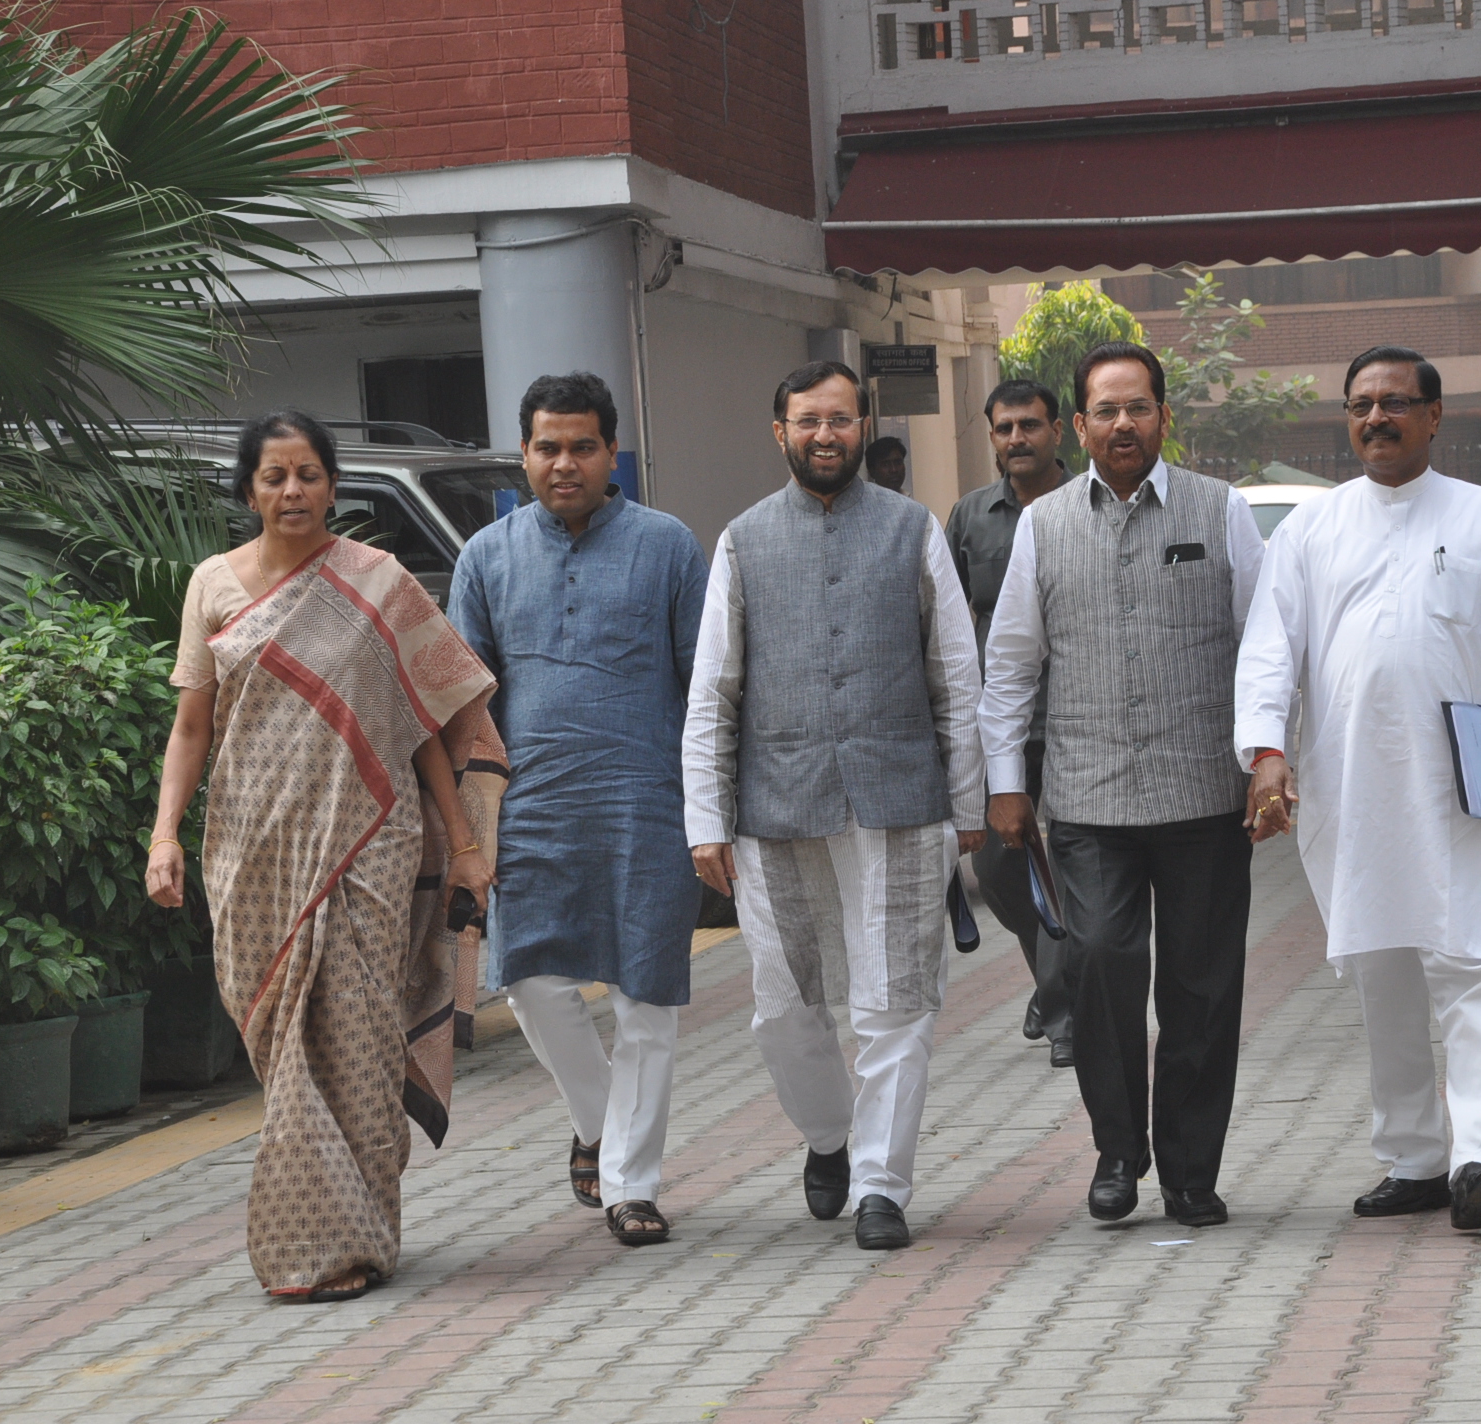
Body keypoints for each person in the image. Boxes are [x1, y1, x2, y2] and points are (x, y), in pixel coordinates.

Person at [146, 411, 498, 1300]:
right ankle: (337, 1232)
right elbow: (192, 726)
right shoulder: (212, 586)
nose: (292, 491)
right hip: (250, 848)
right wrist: (164, 834)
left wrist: (464, 844)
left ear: (334, 485)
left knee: (356, 1039)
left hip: (368, 843)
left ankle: (337, 1243)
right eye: (274, 477)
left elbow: (423, 725)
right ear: (249, 489)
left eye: (308, 475)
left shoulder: (377, 581)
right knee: (284, 1047)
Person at [1236, 345, 1481, 1232]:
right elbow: (1270, 648)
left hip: (1467, 785)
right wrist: (1267, 749)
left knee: (1468, 964)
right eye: (1360, 405)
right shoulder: (1312, 529)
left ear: (1434, 415)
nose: (1375, 418)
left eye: (1394, 402)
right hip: (1350, 784)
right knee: (1381, 967)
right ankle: (1415, 1159)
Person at [684, 360, 985, 1251]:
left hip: (900, 801)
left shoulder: (912, 529)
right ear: (779, 433)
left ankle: (882, 1187)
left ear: (863, 428)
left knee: (895, 1001)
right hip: (775, 806)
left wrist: (968, 801)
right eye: (809, 421)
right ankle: (828, 1137)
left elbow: (955, 673)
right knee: (786, 1007)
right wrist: (705, 816)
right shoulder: (741, 540)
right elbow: (713, 689)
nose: (826, 435)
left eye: (842, 420)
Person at [980, 341, 1264, 1229]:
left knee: (1201, 988)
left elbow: (1266, 648)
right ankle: (1118, 1149)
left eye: (1138, 408)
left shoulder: (1221, 513)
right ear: (1081, 426)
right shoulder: (1045, 524)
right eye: (1105, 411)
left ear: (1163, 416)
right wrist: (1003, 784)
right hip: (1088, 800)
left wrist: (1267, 761)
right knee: (1100, 963)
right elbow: (1013, 662)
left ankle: (1188, 1171)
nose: (1122, 424)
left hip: (1204, 801)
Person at [447, 372, 708, 1248]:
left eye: (583, 446)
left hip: (645, 802)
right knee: (525, 978)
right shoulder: (485, 557)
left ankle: (632, 1184)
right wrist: (468, 829)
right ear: (523, 454)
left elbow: (706, 687)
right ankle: (601, 1122)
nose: (566, 463)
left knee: (648, 998)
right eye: (548, 447)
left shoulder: (669, 547)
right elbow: (465, 703)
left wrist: (709, 809)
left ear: (611, 453)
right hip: (532, 808)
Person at [945, 377, 1075, 1068]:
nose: (1017, 438)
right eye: (1004, 428)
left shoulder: (1088, 505)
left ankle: (1066, 1013)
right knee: (998, 868)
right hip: (1004, 721)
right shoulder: (970, 517)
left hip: (1082, 716)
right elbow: (947, 624)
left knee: (1073, 866)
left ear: (1059, 430)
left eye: (1030, 425)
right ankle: (1055, 977)